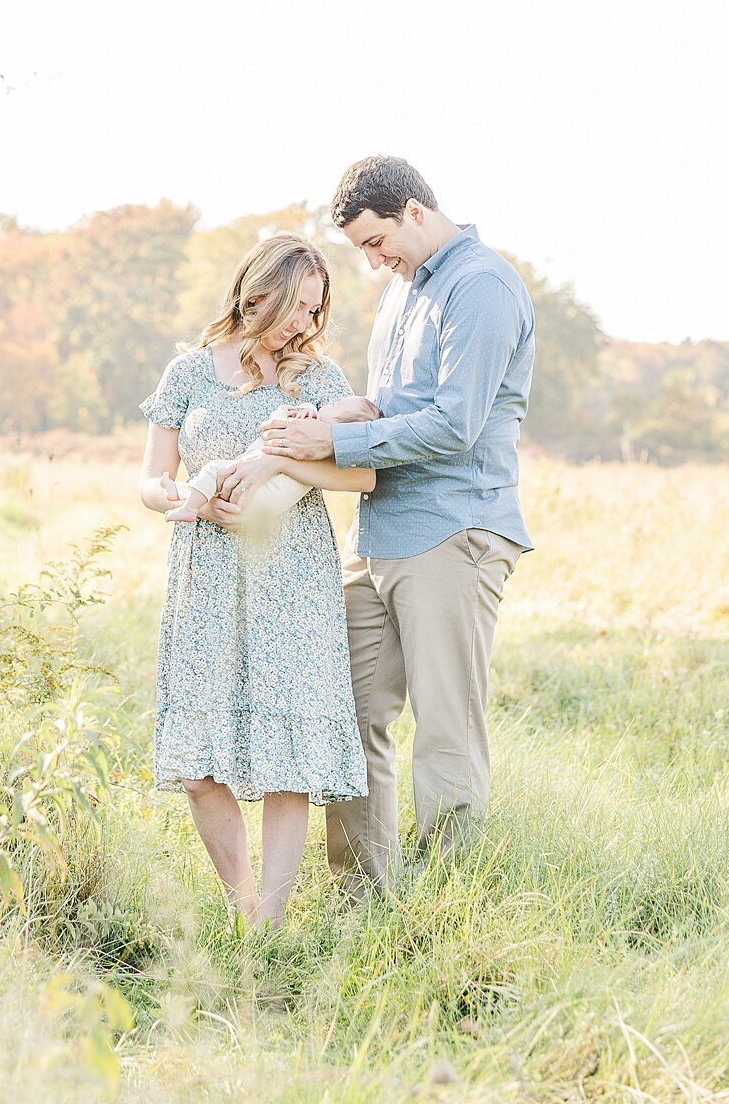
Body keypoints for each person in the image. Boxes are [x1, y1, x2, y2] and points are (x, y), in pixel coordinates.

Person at [258, 156, 535, 892]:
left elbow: (455, 424)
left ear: (415, 211)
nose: (374, 262)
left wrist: (335, 443)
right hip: (377, 532)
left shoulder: (480, 287)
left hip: (454, 530)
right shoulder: (404, 292)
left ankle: (451, 909)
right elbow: (391, 405)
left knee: (445, 730)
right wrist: (335, 417)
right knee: (348, 718)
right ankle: (362, 898)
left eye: (378, 243)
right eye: (362, 251)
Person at [138, 232, 375, 928]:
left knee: (287, 760)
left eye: (316, 308)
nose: (306, 322)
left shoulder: (318, 382)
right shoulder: (187, 374)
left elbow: (361, 474)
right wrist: (186, 500)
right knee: (200, 765)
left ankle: (268, 924)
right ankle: (240, 903)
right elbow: (150, 480)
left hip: (290, 578)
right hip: (205, 572)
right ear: (259, 291)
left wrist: (277, 467)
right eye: (298, 305)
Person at [162, 399, 348, 533]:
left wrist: (284, 411)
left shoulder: (315, 435)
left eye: (336, 405)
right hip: (264, 504)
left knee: (216, 471)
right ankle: (183, 494)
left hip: (257, 497)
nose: (332, 403)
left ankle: (188, 505)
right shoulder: (322, 445)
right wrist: (305, 409)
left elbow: (275, 426)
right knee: (221, 484)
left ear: (342, 424)